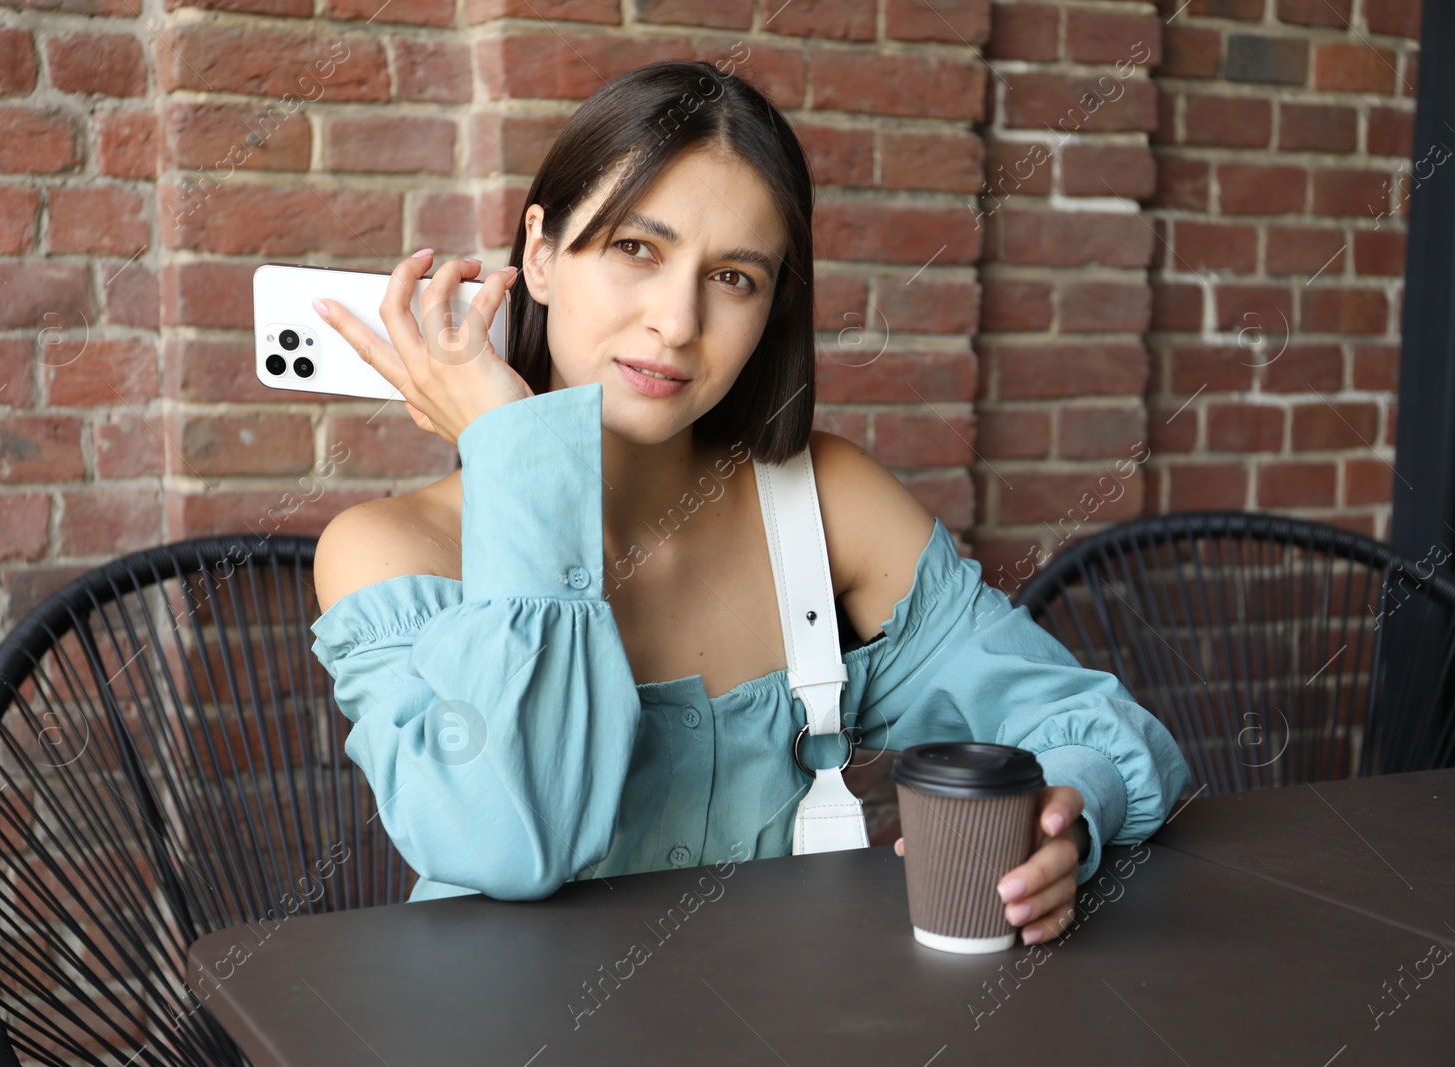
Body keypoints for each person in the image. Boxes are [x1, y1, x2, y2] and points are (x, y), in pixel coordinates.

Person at [309, 59, 1192, 946]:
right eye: (635, 249)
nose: (678, 321)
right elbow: (510, 843)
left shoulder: (824, 505)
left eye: (733, 276)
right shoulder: (388, 549)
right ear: (539, 254)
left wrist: (1065, 821)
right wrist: (513, 453)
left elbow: (1101, 725)